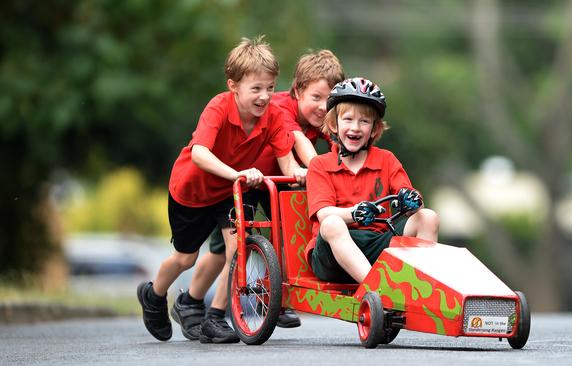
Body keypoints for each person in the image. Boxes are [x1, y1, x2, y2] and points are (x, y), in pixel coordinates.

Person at [136, 36, 306, 344]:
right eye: (256, 89)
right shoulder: (218, 107)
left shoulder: (275, 116)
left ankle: (215, 316)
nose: (265, 96)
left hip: (230, 192)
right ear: (233, 86)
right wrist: (237, 174)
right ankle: (153, 295)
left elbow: (287, 161)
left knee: (237, 248)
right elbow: (200, 153)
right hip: (192, 191)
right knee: (185, 258)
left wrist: (303, 174)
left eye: (270, 87)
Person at [205, 49, 345, 327]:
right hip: (247, 178)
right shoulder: (280, 106)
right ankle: (193, 301)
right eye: (316, 98)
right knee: (224, 250)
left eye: (329, 100)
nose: (322, 106)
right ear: (297, 91)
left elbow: (338, 147)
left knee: (285, 234)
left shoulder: (325, 118)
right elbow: (298, 143)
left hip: (274, 183)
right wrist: (321, 173)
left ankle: (276, 295)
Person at [305, 77, 440, 284]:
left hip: (376, 245)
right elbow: (324, 213)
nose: (355, 127)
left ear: (374, 129)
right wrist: (355, 213)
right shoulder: (320, 165)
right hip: (332, 255)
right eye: (348, 119)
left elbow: (409, 196)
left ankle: (422, 287)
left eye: (364, 121)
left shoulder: (386, 159)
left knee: (428, 216)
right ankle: (376, 289)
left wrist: (412, 201)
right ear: (333, 124)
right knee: (332, 222)